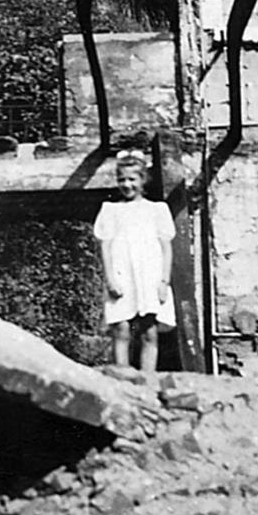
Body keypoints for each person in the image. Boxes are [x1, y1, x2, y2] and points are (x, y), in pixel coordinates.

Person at [93, 149, 176, 373]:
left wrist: (163, 282)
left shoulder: (157, 210)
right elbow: (106, 246)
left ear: (143, 180)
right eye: (122, 179)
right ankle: (122, 378)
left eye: (132, 179)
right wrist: (110, 279)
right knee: (121, 328)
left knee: (149, 331)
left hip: (150, 276)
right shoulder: (111, 210)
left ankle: (148, 380)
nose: (127, 184)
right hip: (122, 275)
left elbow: (166, 248)